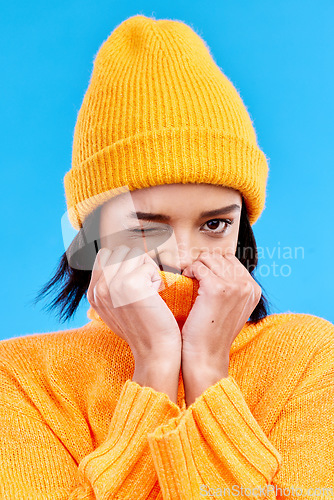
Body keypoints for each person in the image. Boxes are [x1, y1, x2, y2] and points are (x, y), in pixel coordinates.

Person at [0, 14, 333, 500]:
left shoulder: (310, 356)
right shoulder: (21, 381)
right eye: (145, 228)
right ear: (92, 233)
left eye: (215, 224)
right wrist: (154, 367)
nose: (181, 256)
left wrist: (208, 373)